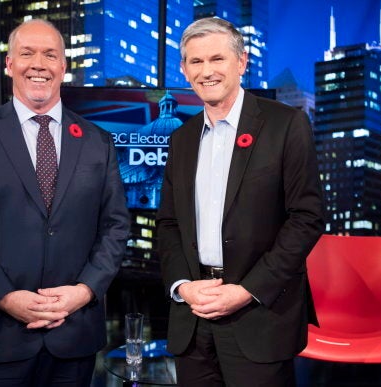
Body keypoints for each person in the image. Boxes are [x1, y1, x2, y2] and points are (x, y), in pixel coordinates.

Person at [0, 19, 130, 386]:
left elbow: (116, 226)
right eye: (27, 53)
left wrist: (84, 290)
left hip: (73, 339)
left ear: (63, 67)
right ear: (9, 64)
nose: (38, 63)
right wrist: (6, 297)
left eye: (50, 54)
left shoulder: (97, 141)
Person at [157, 17, 325, 386]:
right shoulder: (181, 139)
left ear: (241, 62)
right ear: (184, 70)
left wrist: (247, 290)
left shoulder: (286, 124)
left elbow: (307, 217)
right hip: (193, 314)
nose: (206, 71)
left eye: (217, 59)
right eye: (196, 62)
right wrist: (183, 285)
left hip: (259, 316)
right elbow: (168, 224)